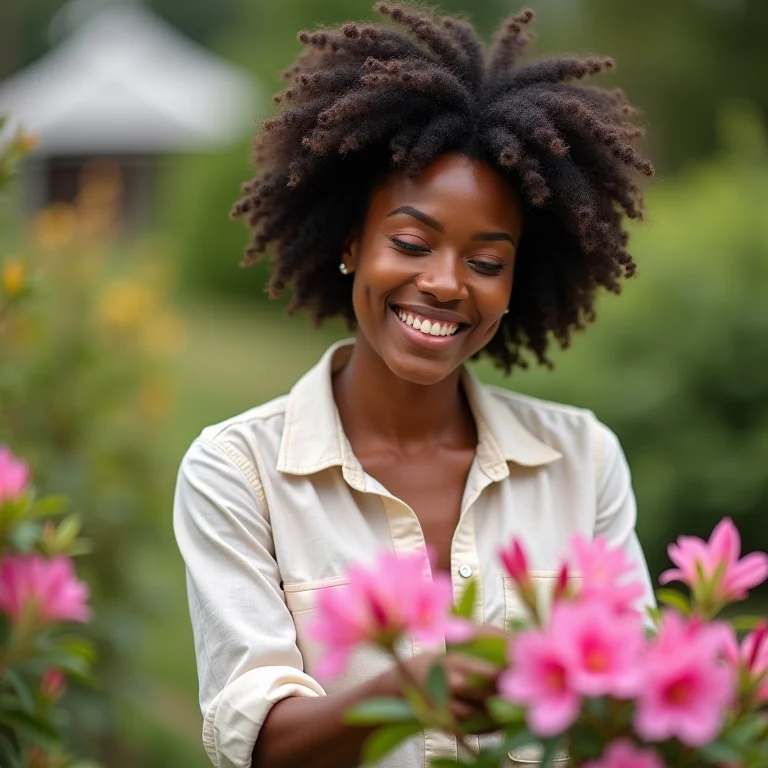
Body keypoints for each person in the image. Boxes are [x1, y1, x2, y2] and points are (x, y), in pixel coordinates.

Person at [173, 4, 657, 767]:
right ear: (350, 244)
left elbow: (642, 699)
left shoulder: (583, 459)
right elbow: (256, 742)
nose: (444, 283)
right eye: (410, 242)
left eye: (487, 261)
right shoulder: (238, 471)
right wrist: (417, 682)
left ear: (514, 285)